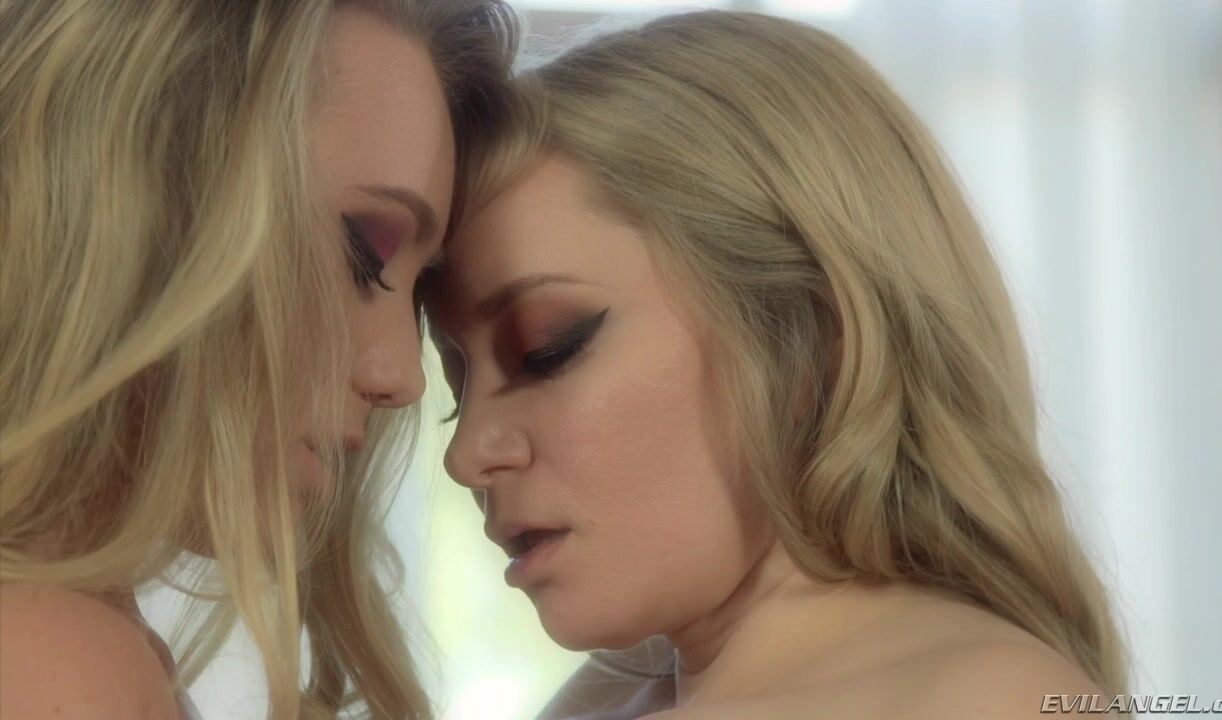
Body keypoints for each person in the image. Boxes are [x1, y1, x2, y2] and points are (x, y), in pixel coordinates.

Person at [424, 10, 1130, 719]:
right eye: (458, 387)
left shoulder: (994, 702)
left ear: (808, 335)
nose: (467, 455)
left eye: (549, 349)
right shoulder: (599, 700)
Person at [0, 1, 515, 717]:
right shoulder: (57, 662)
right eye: (362, 255)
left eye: (420, 291)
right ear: (134, 191)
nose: (403, 377)